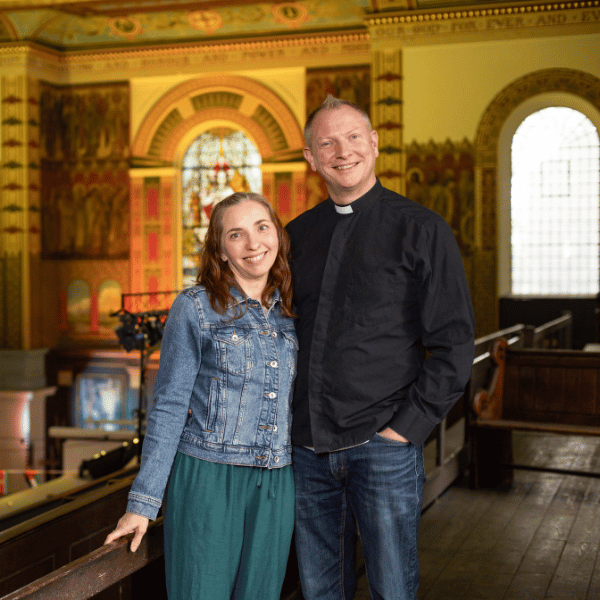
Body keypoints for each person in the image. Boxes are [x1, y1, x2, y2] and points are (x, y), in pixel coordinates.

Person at [285, 95, 475, 600]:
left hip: (382, 445)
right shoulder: (296, 235)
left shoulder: (422, 229)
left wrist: (402, 432)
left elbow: (454, 345)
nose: (341, 151)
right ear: (310, 157)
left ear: (373, 143)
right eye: (326, 142)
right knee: (321, 591)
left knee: (392, 590)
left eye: (352, 137)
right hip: (306, 449)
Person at [104, 192, 297, 600]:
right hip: (209, 476)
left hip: (277, 479)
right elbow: (170, 406)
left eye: (262, 228)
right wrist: (143, 502)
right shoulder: (195, 308)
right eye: (236, 235)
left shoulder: (291, 311)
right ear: (220, 250)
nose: (253, 244)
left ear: (277, 235)